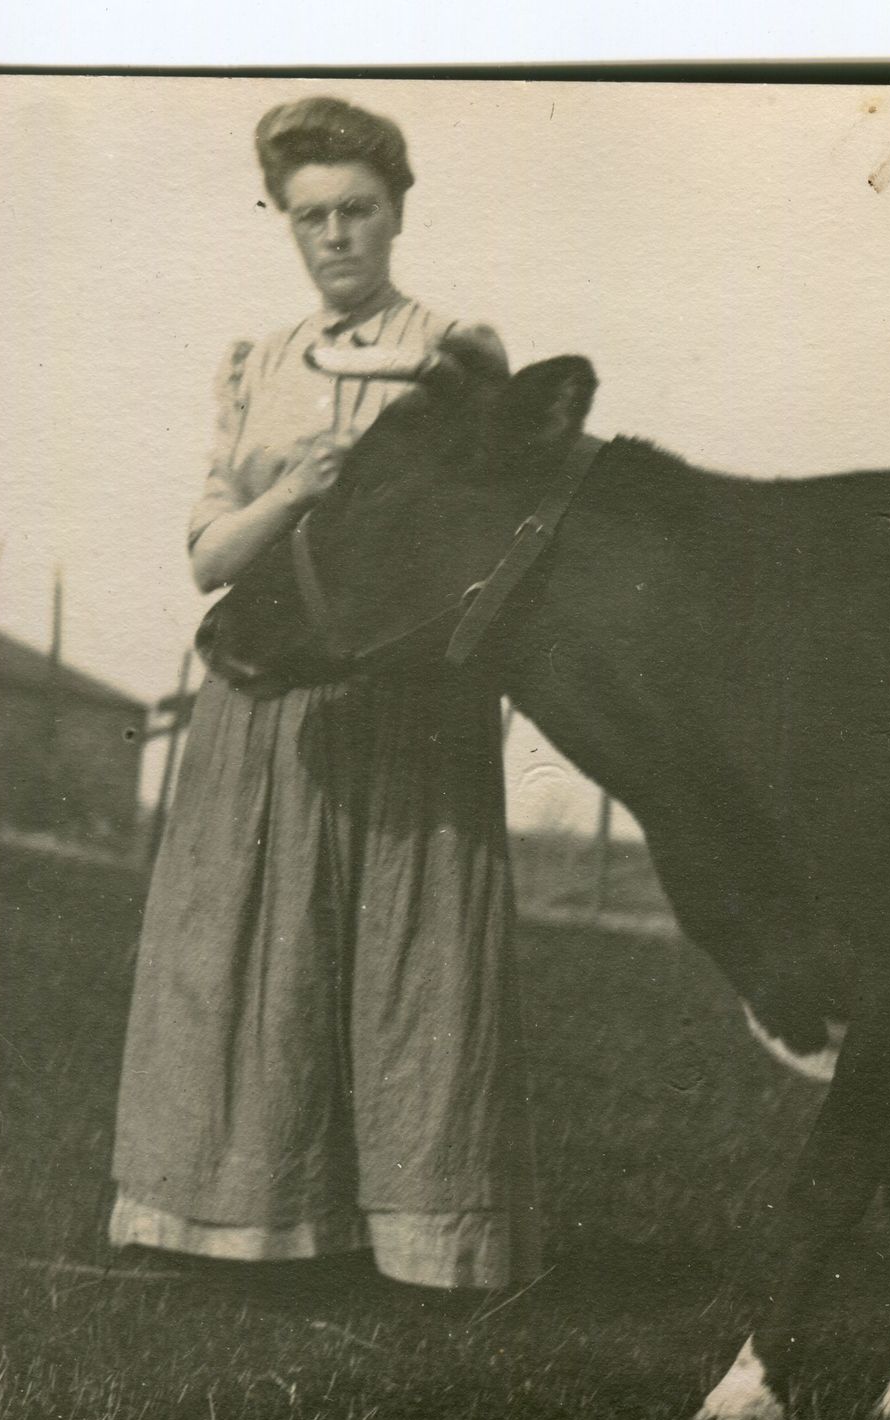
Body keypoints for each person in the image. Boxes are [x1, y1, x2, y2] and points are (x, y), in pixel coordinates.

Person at [110, 97, 539, 1292]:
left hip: (404, 697)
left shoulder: (457, 350)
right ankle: (232, 1224)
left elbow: (484, 506)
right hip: (264, 696)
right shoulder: (256, 364)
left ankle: (419, 1240)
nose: (335, 235)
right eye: (311, 216)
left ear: (397, 213)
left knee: (410, 950)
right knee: (249, 945)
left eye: (357, 210)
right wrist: (294, 491)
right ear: (287, 224)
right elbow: (209, 558)